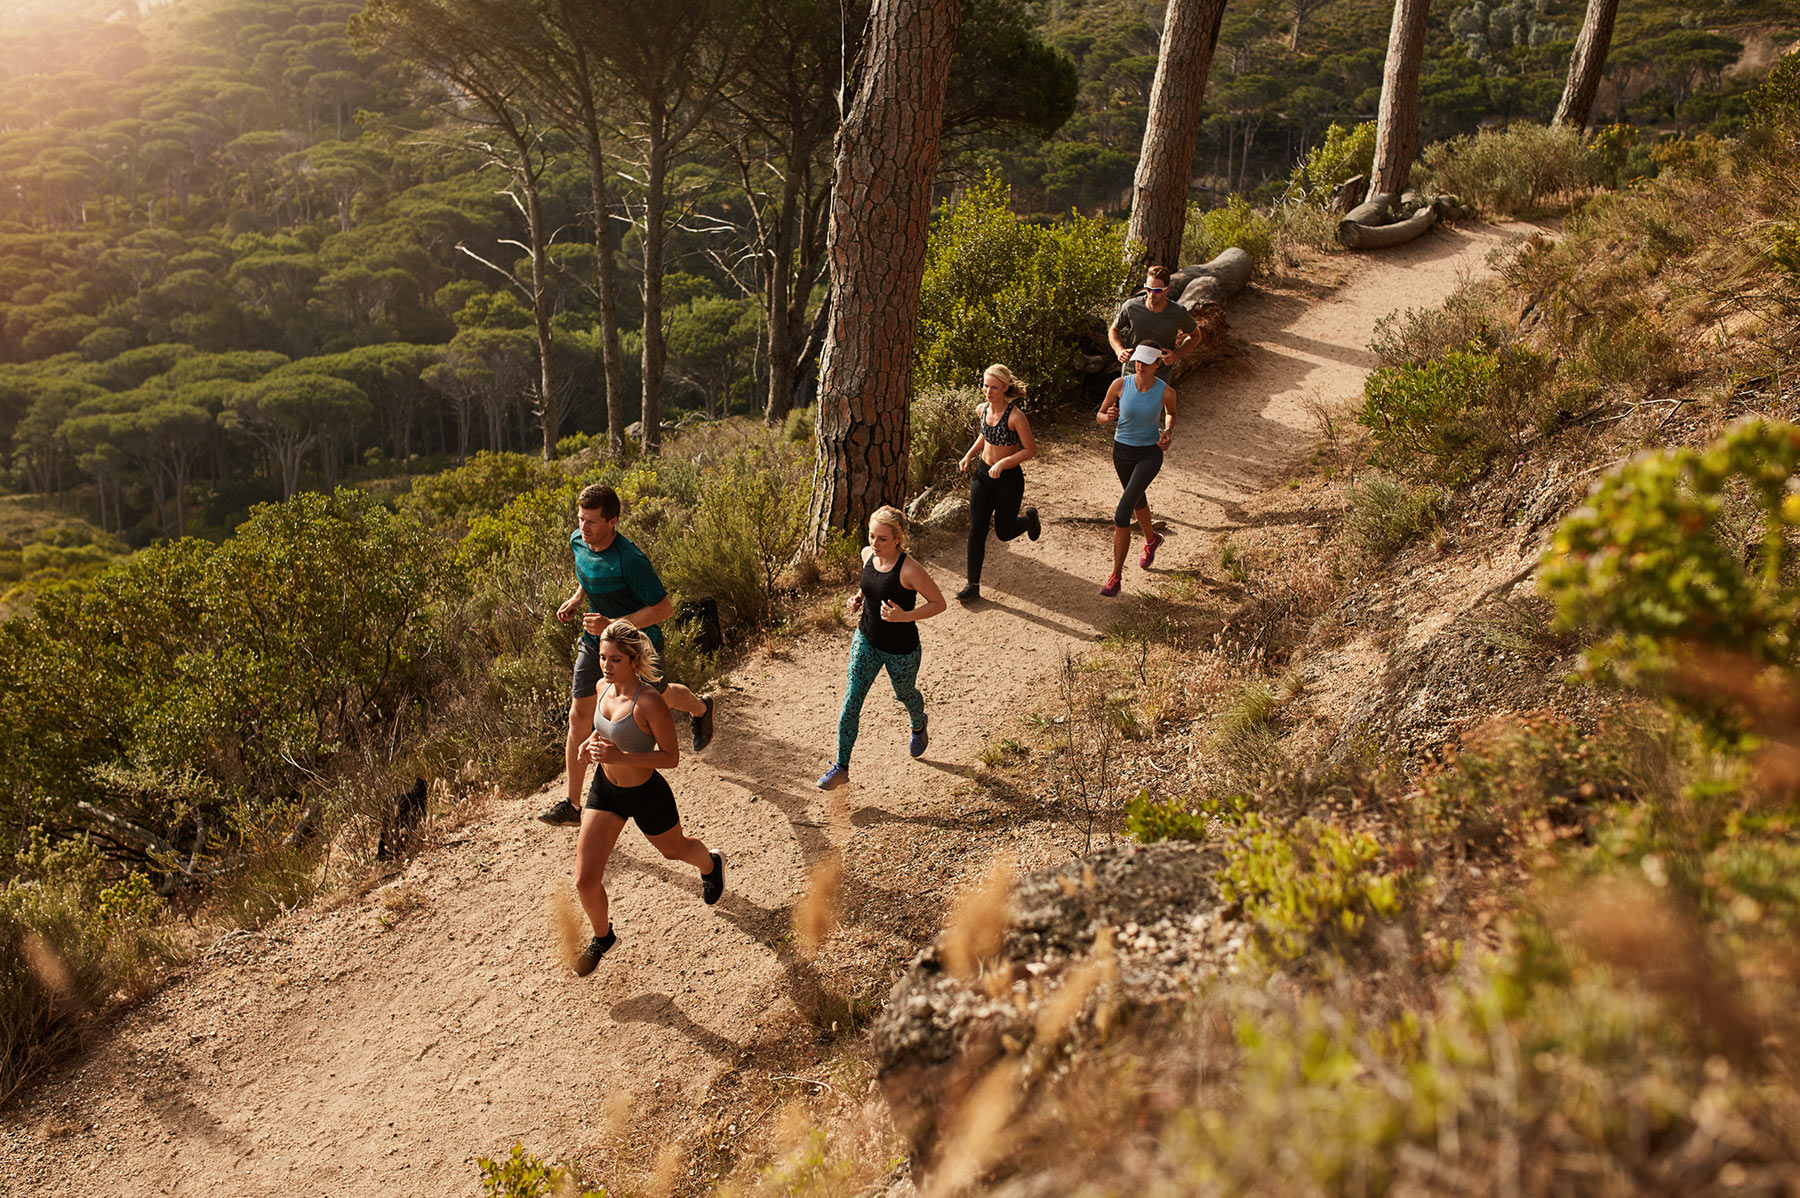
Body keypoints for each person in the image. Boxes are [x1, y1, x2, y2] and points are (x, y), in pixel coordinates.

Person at [538, 483, 715, 827]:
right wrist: (577, 600)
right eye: (580, 519)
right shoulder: (579, 540)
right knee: (579, 716)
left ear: (612, 521)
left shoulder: (631, 560)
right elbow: (586, 571)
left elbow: (664, 608)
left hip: (638, 646)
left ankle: (701, 707)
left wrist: (613, 622)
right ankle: (573, 805)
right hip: (595, 644)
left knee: (660, 697)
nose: (583, 528)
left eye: (591, 522)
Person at [570, 619, 724, 975]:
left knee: (676, 850)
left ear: (634, 660)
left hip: (645, 794)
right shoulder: (601, 687)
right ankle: (603, 936)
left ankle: (711, 865)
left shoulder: (649, 702)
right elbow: (601, 731)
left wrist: (621, 757)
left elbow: (670, 757)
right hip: (606, 790)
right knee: (584, 880)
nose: (606, 666)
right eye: (604, 658)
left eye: (615, 660)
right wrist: (587, 746)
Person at [815, 506, 947, 790]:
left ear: (898, 538)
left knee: (905, 694)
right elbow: (870, 583)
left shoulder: (910, 569)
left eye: (882, 539)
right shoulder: (867, 555)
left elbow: (939, 603)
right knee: (851, 700)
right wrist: (858, 597)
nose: (874, 543)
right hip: (867, 639)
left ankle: (918, 722)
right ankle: (841, 766)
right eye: (871, 536)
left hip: (901, 649)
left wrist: (904, 616)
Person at [1095, 342, 1177, 597]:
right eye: (1137, 361)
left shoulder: (1166, 391)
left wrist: (1167, 431)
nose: (1140, 366)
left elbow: (1171, 413)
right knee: (1137, 498)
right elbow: (1099, 414)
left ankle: (1115, 577)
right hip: (1121, 453)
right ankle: (1152, 540)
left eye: (1146, 362)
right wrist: (1106, 417)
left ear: (1157, 364)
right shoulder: (1120, 385)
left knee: (1122, 514)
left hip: (1149, 454)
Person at [954, 363, 1041, 603]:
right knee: (976, 530)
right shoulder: (982, 409)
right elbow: (985, 435)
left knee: (1003, 532)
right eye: (985, 386)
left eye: (994, 387)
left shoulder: (1015, 416)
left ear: (1004, 387)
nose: (988, 391)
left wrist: (1004, 463)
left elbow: (1030, 450)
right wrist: (969, 455)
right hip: (983, 475)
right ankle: (972, 585)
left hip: (1008, 480)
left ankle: (1030, 520)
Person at [1107, 264, 1198, 380]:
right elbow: (1113, 330)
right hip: (1130, 374)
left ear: (1167, 290)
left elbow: (1195, 336)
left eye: (1156, 291)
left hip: (1159, 378)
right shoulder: (1131, 307)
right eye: (1148, 289)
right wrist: (1119, 350)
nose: (1151, 294)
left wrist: (1176, 354)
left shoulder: (1178, 312)